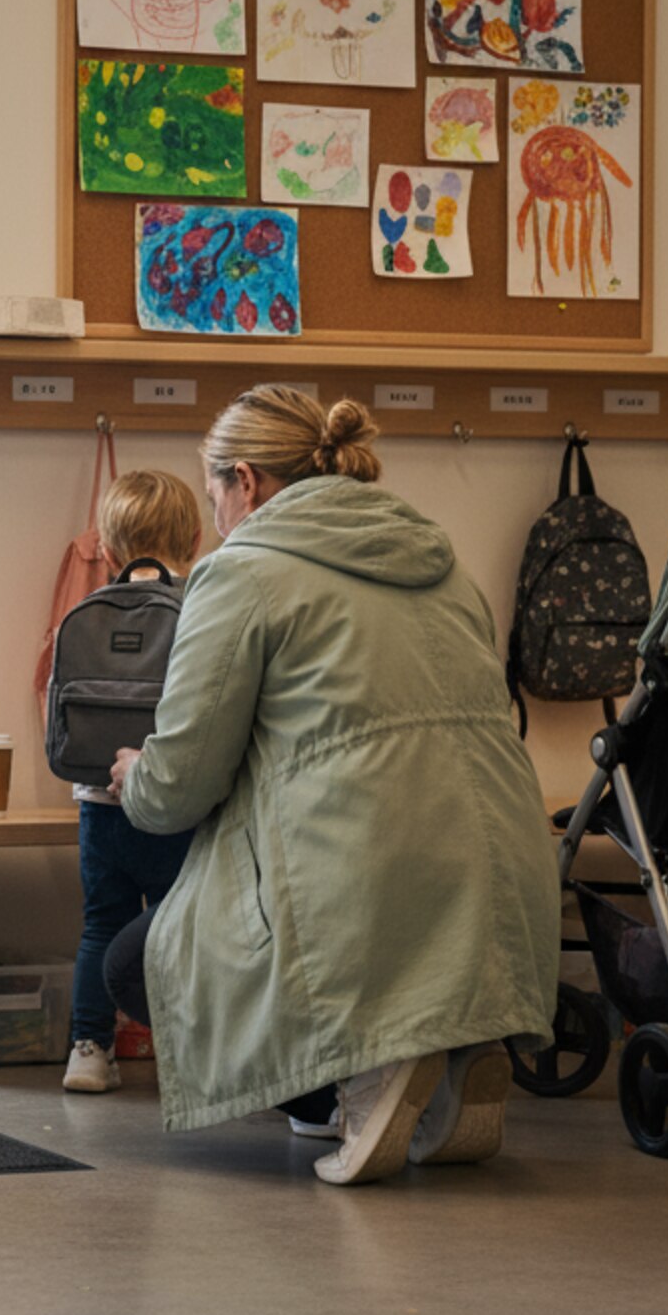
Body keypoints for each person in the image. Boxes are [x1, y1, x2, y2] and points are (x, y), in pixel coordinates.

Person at [103, 385, 560, 1187]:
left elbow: (180, 787)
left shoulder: (240, 573)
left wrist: (137, 779)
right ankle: (454, 1052)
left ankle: (364, 1074)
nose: (215, 518)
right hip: (502, 875)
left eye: (214, 495)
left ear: (245, 481)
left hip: (361, 884)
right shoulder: (440, 559)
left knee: (137, 962)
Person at [63, 470, 201, 1095]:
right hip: (172, 805)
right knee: (177, 928)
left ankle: (88, 1050)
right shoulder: (200, 607)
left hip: (98, 805)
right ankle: (181, 1052)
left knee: (100, 925)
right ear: (196, 540)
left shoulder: (87, 612)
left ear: (111, 552)